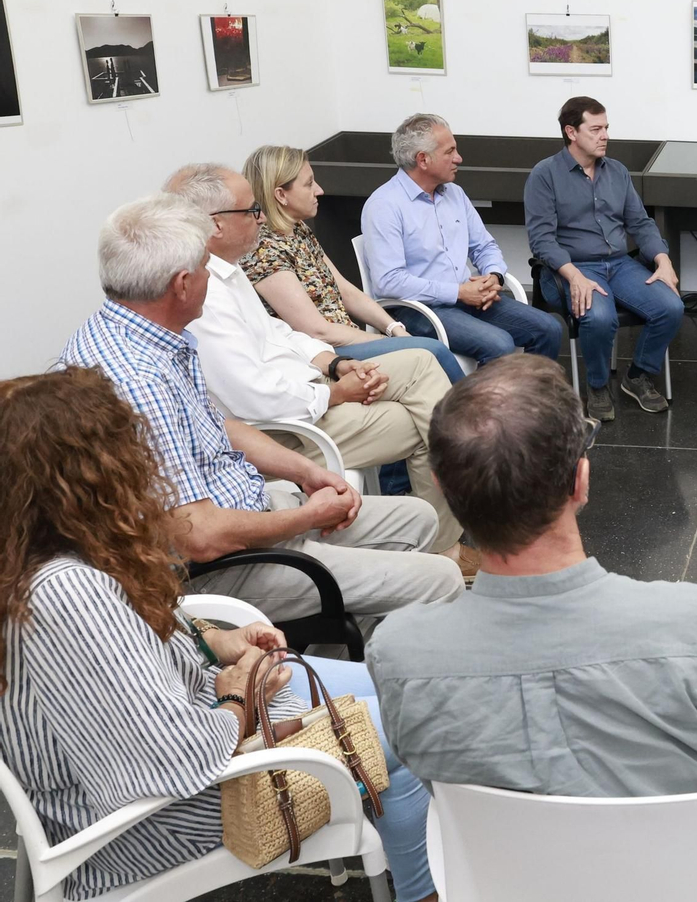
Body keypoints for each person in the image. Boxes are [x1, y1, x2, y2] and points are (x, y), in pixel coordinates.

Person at [366, 355, 697, 892]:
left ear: (442, 488)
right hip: (684, 884)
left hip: (517, 884)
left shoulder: (397, 654)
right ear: (580, 481)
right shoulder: (692, 626)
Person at [0, 367, 438, 902]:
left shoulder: (35, 556)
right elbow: (171, 762)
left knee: (401, 691)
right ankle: (425, 890)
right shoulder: (69, 592)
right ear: (90, 474)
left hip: (187, 735)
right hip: (153, 822)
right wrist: (238, 696)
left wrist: (212, 640)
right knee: (410, 728)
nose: (144, 462)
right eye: (126, 450)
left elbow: (131, 648)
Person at [59, 194, 461, 627]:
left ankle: (351, 638)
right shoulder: (139, 379)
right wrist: (305, 517)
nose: (211, 278)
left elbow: (219, 426)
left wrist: (307, 473)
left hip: (252, 511)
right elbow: (199, 537)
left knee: (418, 518)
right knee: (442, 579)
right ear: (182, 284)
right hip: (218, 568)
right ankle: (347, 650)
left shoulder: (145, 337)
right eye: (205, 268)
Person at [163, 164, 466, 568]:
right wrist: (334, 393)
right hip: (288, 430)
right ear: (215, 225)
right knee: (427, 423)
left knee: (423, 364)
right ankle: (448, 542)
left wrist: (336, 365)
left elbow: (280, 333)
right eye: (251, 210)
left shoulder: (227, 272)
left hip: (311, 389)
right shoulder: (205, 294)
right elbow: (255, 397)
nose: (260, 218)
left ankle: (454, 507)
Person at [239, 143, 464, 383]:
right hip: (325, 355)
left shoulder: (298, 231)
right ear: (281, 195)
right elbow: (317, 330)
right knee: (434, 351)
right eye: (309, 184)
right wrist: (387, 341)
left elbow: (345, 290)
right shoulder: (265, 250)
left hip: (347, 340)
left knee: (427, 350)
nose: (319, 190)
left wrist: (394, 328)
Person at [361, 112, 563, 367]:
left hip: (468, 297)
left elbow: (484, 246)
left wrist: (494, 276)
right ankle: (486, 396)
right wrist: (458, 292)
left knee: (548, 328)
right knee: (499, 344)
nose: (459, 158)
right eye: (450, 151)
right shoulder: (384, 205)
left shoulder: (454, 194)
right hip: (419, 309)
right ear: (423, 159)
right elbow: (389, 282)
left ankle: (528, 393)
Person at [525, 96, 682, 420]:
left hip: (619, 264)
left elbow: (640, 224)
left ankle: (637, 376)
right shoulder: (545, 174)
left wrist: (663, 260)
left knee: (671, 307)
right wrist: (574, 276)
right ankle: (597, 385)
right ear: (571, 132)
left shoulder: (617, 171)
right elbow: (541, 240)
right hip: (572, 267)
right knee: (599, 317)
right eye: (595, 129)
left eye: (606, 128)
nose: (605, 135)